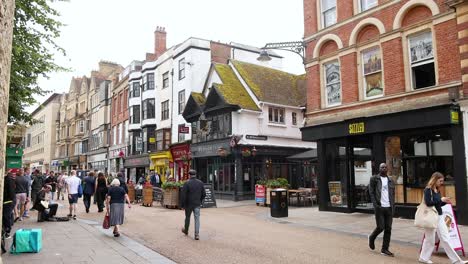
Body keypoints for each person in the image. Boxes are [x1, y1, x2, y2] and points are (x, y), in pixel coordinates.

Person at [418, 172, 468, 264]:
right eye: (440, 181)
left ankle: (456, 261)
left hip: (439, 216)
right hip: (431, 217)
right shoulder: (428, 190)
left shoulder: (437, 190)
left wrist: (445, 202)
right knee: (429, 240)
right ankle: (423, 258)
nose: (441, 183)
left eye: (442, 181)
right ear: (435, 180)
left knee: (445, 239)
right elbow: (429, 203)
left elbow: (437, 203)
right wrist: (441, 199)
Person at [368, 163, 395, 257]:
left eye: (385, 167)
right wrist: (376, 205)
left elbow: (393, 194)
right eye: (381, 167)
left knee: (388, 229)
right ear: (379, 169)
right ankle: (372, 237)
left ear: (387, 169)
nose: (383, 168)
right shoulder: (374, 179)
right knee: (380, 227)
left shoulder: (390, 180)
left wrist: (392, 206)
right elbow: (371, 192)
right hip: (379, 207)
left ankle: (385, 249)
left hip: (389, 207)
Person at [180, 169, 206, 240]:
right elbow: (204, 194)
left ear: (189, 175)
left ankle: (186, 231)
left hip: (188, 204)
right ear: (195, 175)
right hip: (197, 204)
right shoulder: (200, 183)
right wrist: (200, 200)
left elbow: (183, 195)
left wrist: (182, 205)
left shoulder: (186, 183)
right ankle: (196, 234)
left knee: (187, 218)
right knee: (197, 219)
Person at [3, 172, 16, 239]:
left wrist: (10, 199)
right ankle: (8, 228)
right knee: (8, 215)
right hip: (9, 200)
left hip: (8, 201)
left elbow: (11, 192)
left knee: (7, 215)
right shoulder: (10, 180)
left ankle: (8, 231)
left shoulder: (8, 180)